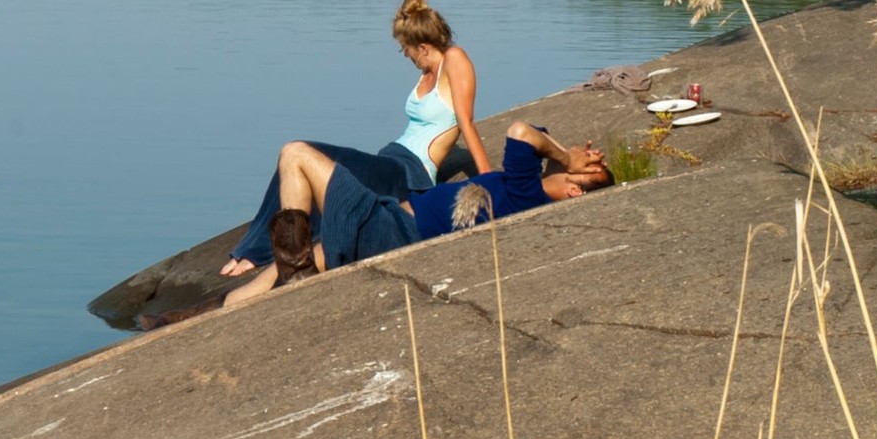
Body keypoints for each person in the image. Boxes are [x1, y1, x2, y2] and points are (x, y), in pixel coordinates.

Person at [221, 0, 486, 278]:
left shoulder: (454, 60)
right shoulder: (426, 75)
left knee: (295, 151)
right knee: (300, 169)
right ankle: (264, 252)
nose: (405, 55)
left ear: (422, 47)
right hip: (388, 162)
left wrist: (489, 182)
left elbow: (466, 122)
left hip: (407, 175)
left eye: (405, 49)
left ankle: (257, 253)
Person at [221, 125, 612, 308]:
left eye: (587, 168)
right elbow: (538, 134)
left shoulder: (530, 194)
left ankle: (293, 280)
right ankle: (216, 313)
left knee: (296, 153)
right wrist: (570, 151)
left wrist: (565, 157)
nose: (582, 158)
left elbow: (523, 132)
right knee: (265, 283)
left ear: (575, 190)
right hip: (387, 222)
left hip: (391, 231)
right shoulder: (526, 183)